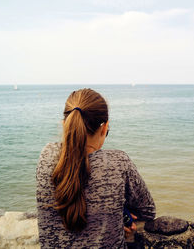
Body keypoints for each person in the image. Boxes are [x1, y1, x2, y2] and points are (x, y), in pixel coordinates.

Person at [36, 88, 155, 248]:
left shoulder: (47, 155)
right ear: (104, 128)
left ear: (65, 125)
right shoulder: (118, 162)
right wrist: (118, 213)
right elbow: (147, 211)